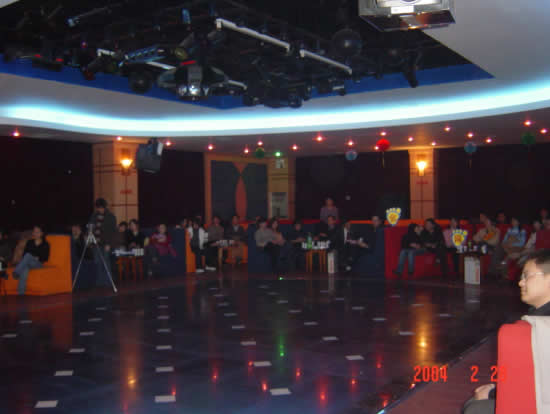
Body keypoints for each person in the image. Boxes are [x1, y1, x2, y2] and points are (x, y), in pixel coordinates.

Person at [462, 249, 550, 414]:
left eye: (527, 276)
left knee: (474, 407)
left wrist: (493, 393)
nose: (521, 283)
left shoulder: (534, 328)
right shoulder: (537, 318)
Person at [11, 225, 50, 295]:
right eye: (34, 232)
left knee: (28, 256)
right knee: (25, 268)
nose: (35, 233)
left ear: (41, 233)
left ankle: (16, 272)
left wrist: (37, 258)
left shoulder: (45, 244)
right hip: (29, 262)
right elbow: (24, 254)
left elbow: (45, 258)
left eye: (37, 232)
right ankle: (21, 293)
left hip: (38, 264)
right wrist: (32, 257)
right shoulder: (29, 242)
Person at [88, 198, 117, 284]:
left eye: (101, 208)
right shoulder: (94, 216)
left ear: (105, 207)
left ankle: (108, 281)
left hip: (105, 243)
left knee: (106, 261)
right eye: (98, 208)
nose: (100, 209)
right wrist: (90, 240)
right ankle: (99, 281)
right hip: (96, 243)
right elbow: (90, 227)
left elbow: (112, 232)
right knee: (97, 262)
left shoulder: (111, 216)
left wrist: (109, 244)